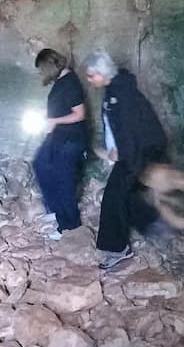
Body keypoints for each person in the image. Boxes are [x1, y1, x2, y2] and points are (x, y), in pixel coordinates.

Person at [83, 50, 167, 271]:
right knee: (125, 193)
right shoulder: (115, 88)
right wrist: (115, 149)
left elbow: (130, 130)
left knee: (113, 197)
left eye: (91, 75)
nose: (89, 80)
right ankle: (154, 225)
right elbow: (119, 127)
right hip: (136, 149)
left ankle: (118, 250)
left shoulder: (122, 93)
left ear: (102, 73)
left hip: (140, 151)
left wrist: (123, 155)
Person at [32, 49, 87, 240]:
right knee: (40, 164)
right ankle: (55, 209)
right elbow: (61, 107)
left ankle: (69, 225)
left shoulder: (70, 83)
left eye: (41, 70)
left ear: (48, 67)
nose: (41, 74)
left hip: (71, 139)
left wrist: (54, 121)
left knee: (64, 180)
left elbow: (79, 114)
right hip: (58, 136)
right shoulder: (61, 81)